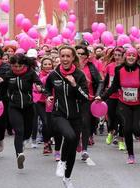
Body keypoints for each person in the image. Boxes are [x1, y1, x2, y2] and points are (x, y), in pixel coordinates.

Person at [96, 47, 140, 164]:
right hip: (124, 103)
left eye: (133, 55)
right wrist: (102, 97)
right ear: (125, 56)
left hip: (138, 104)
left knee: (136, 129)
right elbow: (113, 87)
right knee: (126, 128)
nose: (131, 57)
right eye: (129, 55)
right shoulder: (119, 69)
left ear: (136, 57)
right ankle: (131, 155)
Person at [45, 45, 88, 188]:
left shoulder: (79, 75)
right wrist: (48, 97)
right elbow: (46, 89)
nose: (64, 59)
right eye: (62, 56)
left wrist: (75, 85)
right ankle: (61, 162)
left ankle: (67, 178)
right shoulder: (54, 74)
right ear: (59, 57)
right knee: (69, 137)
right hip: (59, 114)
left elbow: (85, 97)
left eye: (67, 56)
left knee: (72, 148)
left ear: (73, 58)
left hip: (76, 116)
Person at [0, 53, 44, 169]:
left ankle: (24, 142)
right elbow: (2, 91)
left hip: (28, 107)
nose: (17, 68)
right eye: (14, 66)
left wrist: (39, 87)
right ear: (11, 65)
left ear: (24, 65)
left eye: (19, 66)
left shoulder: (30, 73)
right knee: (19, 130)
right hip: (14, 107)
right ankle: (19, 155)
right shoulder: (8, 75)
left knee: (27, 132)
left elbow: (38, 83)